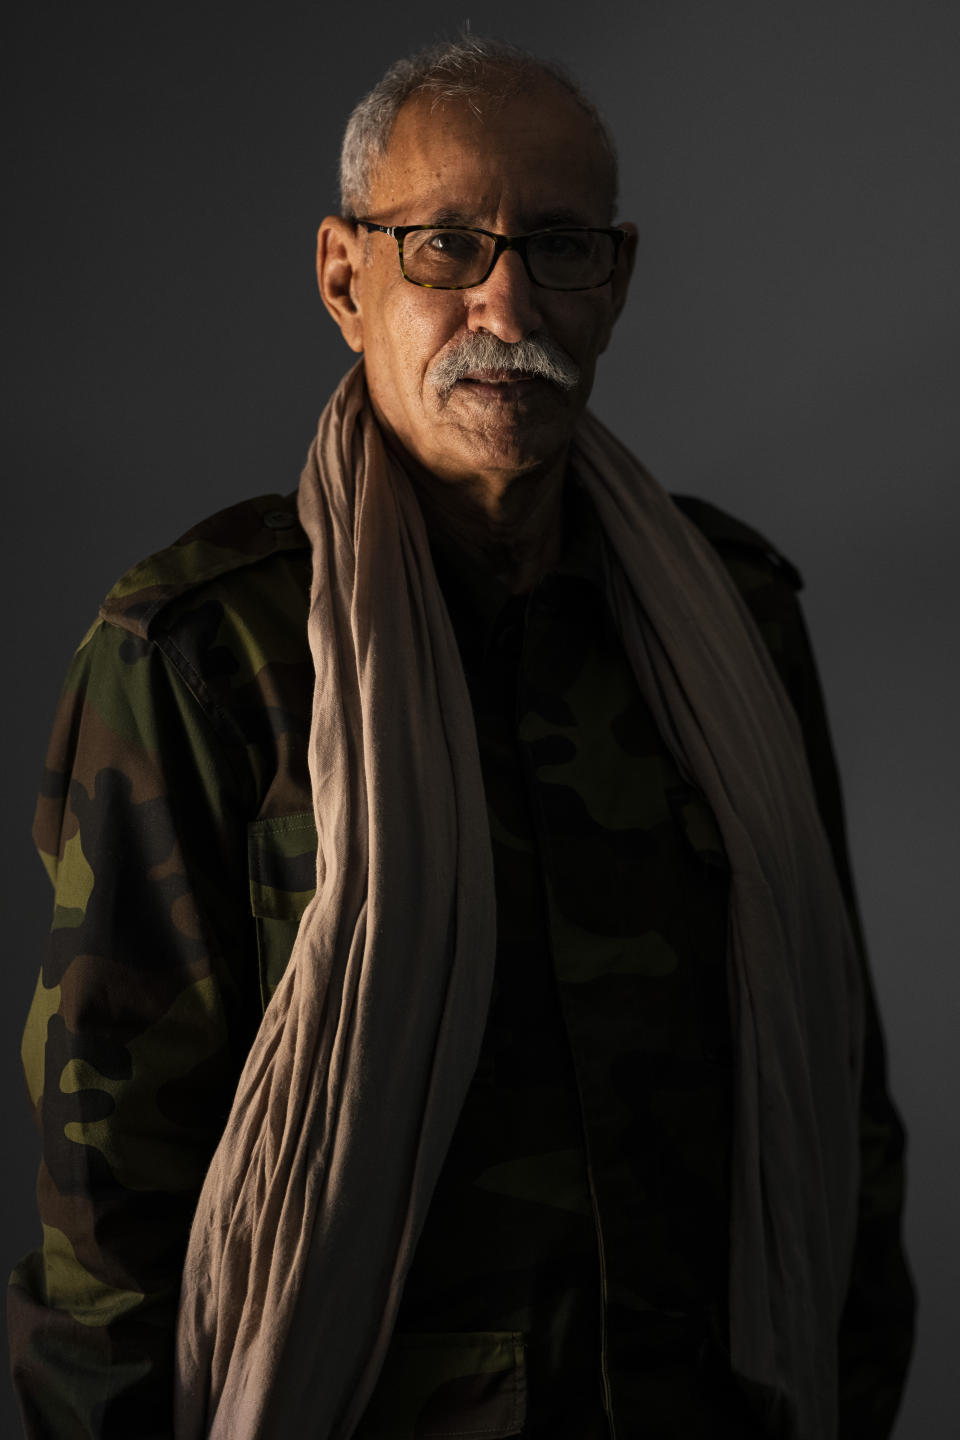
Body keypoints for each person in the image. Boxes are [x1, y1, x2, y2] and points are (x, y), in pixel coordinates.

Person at [9, 36, 914, 1440]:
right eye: (446, 245)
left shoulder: (732, 620)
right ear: (343, 276)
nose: (508, 299)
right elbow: (110, 1197)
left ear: (614, 281)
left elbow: (836, 1088)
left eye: (558, 247)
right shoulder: (202, 651)